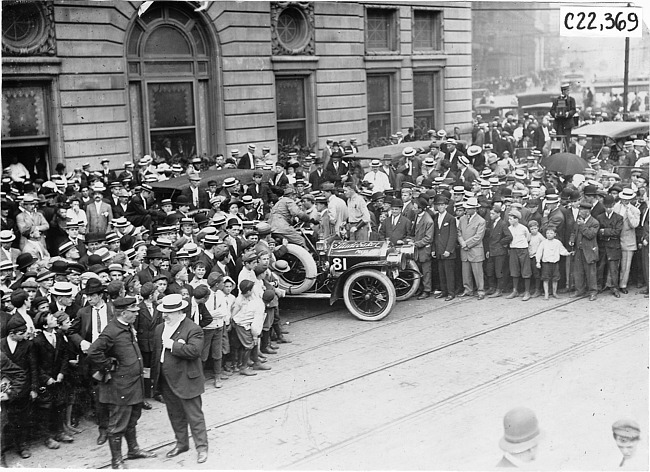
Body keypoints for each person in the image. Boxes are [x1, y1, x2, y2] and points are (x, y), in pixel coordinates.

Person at [87, 297, 156, 469]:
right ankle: (116, 460)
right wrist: (108, 364)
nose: (136, 314)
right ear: (123, 313)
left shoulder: (125, 327)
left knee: (132, 419)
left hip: (134, 383)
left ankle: (133, 450)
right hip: (121, 386)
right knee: (118, 424)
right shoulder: (111, 331)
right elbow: (93, 351)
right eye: (133, 312)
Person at [151, 294, 208, 464]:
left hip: (186, 379)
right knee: (174, 414)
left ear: (179, 311)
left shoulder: (193, 328)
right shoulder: (160, 328)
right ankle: (182, 443)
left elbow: (195, 351)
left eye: (169, 312)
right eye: (163, 312)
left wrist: (173, 345)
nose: (164, 315)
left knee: (194, 415)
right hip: (166, 379)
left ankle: (202, 448)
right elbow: (156, 355)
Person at [570, 201, 600, 301]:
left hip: (589, 251)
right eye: (580, 209)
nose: (580, 212)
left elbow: (590, 235)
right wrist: (572, 239)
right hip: (579, 250)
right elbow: (574, 232)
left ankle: (593, 292)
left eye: (582, 210)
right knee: (578, 272)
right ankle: (580, 290)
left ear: (588, 211)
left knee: (591, 273)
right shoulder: (578, 220)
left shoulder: (594, 222)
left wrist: (582, 225)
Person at [457, 197, 487, 300]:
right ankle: (468, 290)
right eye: (466, 208)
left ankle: (480, 291)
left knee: (478, 272)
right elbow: (459, 232)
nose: (466, 210)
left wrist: (466, 244)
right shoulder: (462, 219)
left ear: (475, 209)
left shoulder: (481, 221)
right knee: (465, 272)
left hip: (475, 250)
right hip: (464, 249)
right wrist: (462, 243)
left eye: (469, 208)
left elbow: (478, 237)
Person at [596, 195, 623, 298]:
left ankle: (614, 288)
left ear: (613, 205)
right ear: (604, 206)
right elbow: (598, 232)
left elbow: (617, 232)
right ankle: (599, 286)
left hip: (613, 247)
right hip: (603, 246)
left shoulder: (618, 218)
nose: (608, 209)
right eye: (606, 207)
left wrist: (604, 231)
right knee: (600, 267)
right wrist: (608, 232)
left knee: (613, 269)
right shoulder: (599, 217)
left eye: (610, 206)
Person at [433, 195, 458, 301]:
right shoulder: (436, 217)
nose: (440, 207)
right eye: (438, 205)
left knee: (449, 273)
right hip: (439, 249)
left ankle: (451, 293)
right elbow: (435, 235)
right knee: (441, 272)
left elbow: (453, 236)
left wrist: (448, 250)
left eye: (442, 205)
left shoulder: (451, 218)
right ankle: (444, 291)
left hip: (447, 250)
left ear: (446, 206)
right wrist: (434, 249)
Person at [535, 226, 570, 299]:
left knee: (555, 279)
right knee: (545, 279)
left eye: (551, 233)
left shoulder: (557, 242)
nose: (549, 234)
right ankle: (546, 294)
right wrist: (538, 262)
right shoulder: (543, 243)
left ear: (555, 234)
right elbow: (539, 253)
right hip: (546, 264)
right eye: (547, 233)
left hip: (555, 263)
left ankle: (554, 292)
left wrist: (568, 253)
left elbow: (562, 250)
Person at [550, 83, 577, 148]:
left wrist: (569, 113)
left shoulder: (571, 100)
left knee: (567, 141)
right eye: (567, 90)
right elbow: (552, 110)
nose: (568, 92)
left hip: (567, 125)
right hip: (559, 124)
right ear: (563, 91)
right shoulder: (556, 100)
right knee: (559, 141)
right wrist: (555, 114)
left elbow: (573, 110)